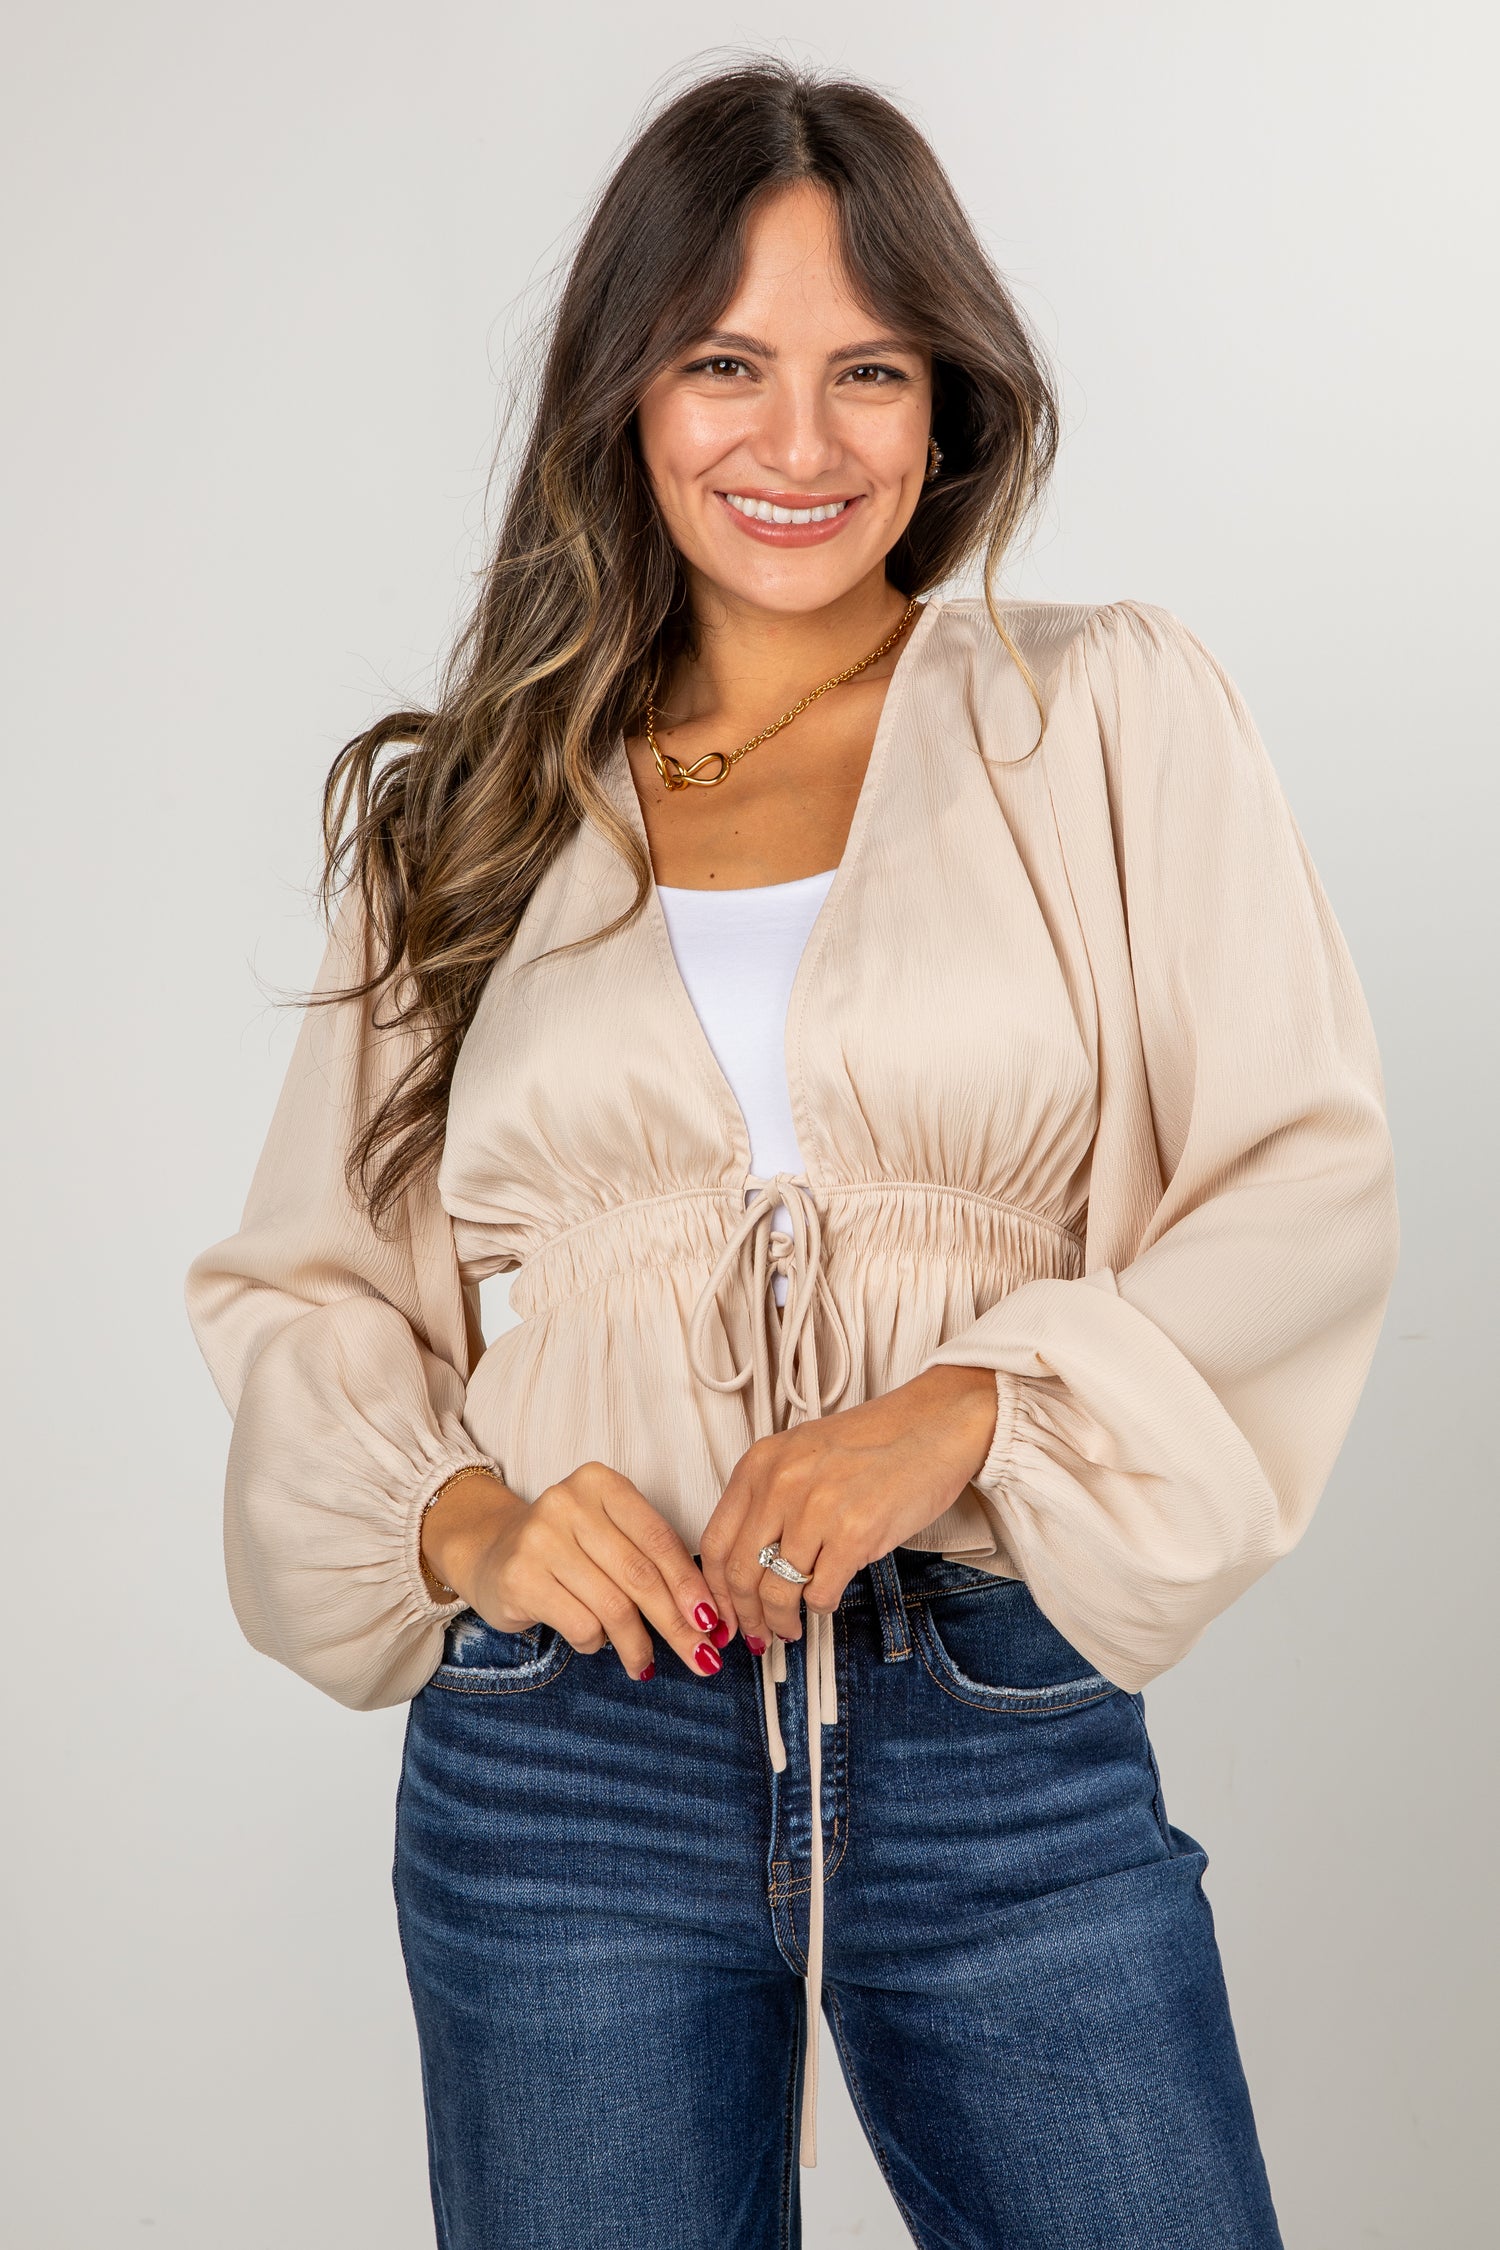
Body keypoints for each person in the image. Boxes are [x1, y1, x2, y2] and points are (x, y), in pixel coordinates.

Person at [185, 57, 1400, 2250]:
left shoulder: (1099, 713)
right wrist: (457, 1516)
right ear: (629, 395)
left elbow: (1297, 1180)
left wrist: (966, 1411)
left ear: (947, 410)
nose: (798, 440)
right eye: (725, 363)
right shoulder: (470, 809)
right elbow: (308, 1286)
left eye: (869, 369)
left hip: (993, 1717)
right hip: (567, 1749)